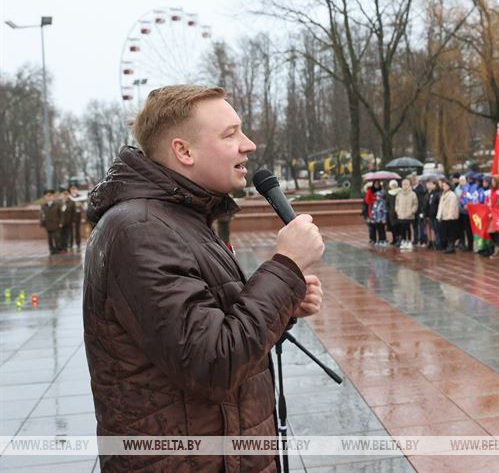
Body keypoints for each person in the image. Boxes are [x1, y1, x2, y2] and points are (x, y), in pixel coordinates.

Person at [83, 85, 324, 472]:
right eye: (231, 134)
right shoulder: (140, 230)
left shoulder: (180, 220)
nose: (249, 145)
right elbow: (213, 363)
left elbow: (208, 327)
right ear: (184, 151)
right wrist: (286, 267)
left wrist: (284, 302)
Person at [436, 178, 460, 253]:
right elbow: (440, 206)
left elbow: (452, 206)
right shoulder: (443, 194)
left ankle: (451, 247)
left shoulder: (452, 195)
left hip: (450, 217)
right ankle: (447, 246)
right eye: (443, 186)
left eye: (445, 185)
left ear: (449, 186)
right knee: (445, 233)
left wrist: (450, 216)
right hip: (444, 217)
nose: (444, 187)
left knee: (450, 233)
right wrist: (439, 215)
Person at [395, 178, 419, 250]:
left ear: (409, 185)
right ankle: (403, 241)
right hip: (401, 214)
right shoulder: (399, 194)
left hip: (409, 215)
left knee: (408, 228)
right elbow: (397, 204)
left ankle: (409, 241)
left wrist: (412, 211)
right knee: (402, 228)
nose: (404, 186)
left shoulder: (413, 194)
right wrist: (397, 210)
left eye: (406, 184)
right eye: (403, 184)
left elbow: (415, 204)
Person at [39, 189, 63, 255]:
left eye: (50, 196)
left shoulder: (57, 204)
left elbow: (61, 214)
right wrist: (42, 223)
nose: (49, 197)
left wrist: (61, 222)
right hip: (48, 224)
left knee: (57, 237)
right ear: (45, 197)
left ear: (53, 197)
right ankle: (51, 249)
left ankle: (58, 248)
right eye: (47, 196)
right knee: (49, 238)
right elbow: (41, 215)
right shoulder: (43, 206)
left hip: (56, 224)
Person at [68, 183, 87, 250]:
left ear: (77, 189)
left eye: (75, 189)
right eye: (72, 189)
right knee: (70, 231)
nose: (73, 190)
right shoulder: (68, 197)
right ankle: (70, 244)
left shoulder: (80, 197)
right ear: (70, 190)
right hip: (69, 216)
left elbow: (84, 208)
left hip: (77, 215)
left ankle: (78, 244)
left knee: (77, 230)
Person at [386, 179, 401, 245]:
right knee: (393, 227)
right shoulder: (389, 193)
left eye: (394, 185)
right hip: (391, 213)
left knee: (399, 226)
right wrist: (389, 211)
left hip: (399, 212)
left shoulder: (400, 192)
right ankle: (394, 239)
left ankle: (399, 239)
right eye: (392, 185)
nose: (393, 186)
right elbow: (387, 204)